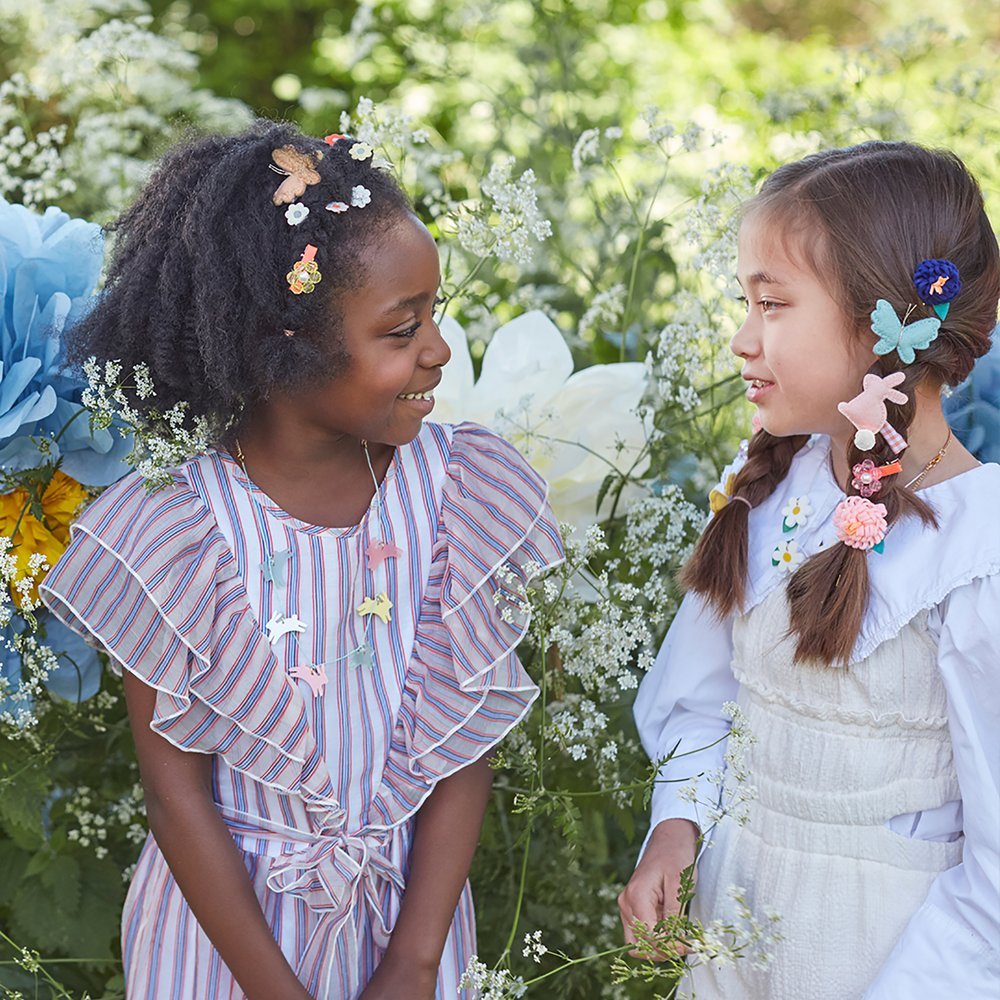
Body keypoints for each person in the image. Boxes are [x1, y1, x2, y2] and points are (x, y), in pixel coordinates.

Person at [39, 121, 563, 1000]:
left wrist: (414, 961)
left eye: (433, 314)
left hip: (409, 924)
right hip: (229, 948)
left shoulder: (457, 491)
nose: (437, 349)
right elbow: (178, 800)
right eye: (402, 330)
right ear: (286, 344)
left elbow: (463, 744)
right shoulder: (175, 532)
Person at [619, 142, 1000, 998]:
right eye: (744, 302)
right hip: (735, 937)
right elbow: (705, 698)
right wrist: (676, 828)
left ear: (882, 324)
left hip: (882, 960)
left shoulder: (979, 556)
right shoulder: (772, 490)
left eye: (773, 304)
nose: (741, 338)